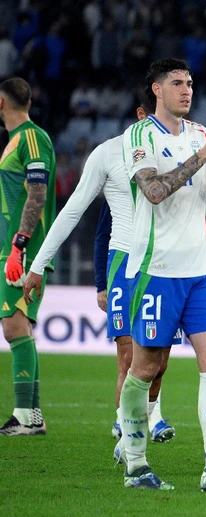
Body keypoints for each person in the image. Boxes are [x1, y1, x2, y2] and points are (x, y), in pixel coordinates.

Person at [117, 58, 206, 491]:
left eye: (190, 82)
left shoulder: (200, 135)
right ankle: (135, 463)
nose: (186, 89)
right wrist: (204, 155)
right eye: (177, 83)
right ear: (156, 89)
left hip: (201, 272)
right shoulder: (139, 135)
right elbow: (154, 192)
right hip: (156, 271)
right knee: (147, 367)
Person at [24, 95, 184, 444]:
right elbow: (72, 211)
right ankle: (127, 434)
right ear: (142, 113)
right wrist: (38, 264)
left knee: (159, 365)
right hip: (125, 263)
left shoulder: (180, 148)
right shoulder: (108, 153)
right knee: (128, 357)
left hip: (166, 264)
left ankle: (150, 416)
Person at [0, 77, 54, 436]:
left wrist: (19, 245)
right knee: (18, 324)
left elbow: (38, 191)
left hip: (23, 247)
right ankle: (30, 415)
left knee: (14, 324)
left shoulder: (32, 137)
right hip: (14, 245)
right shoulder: (16, 140)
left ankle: (25, 414)